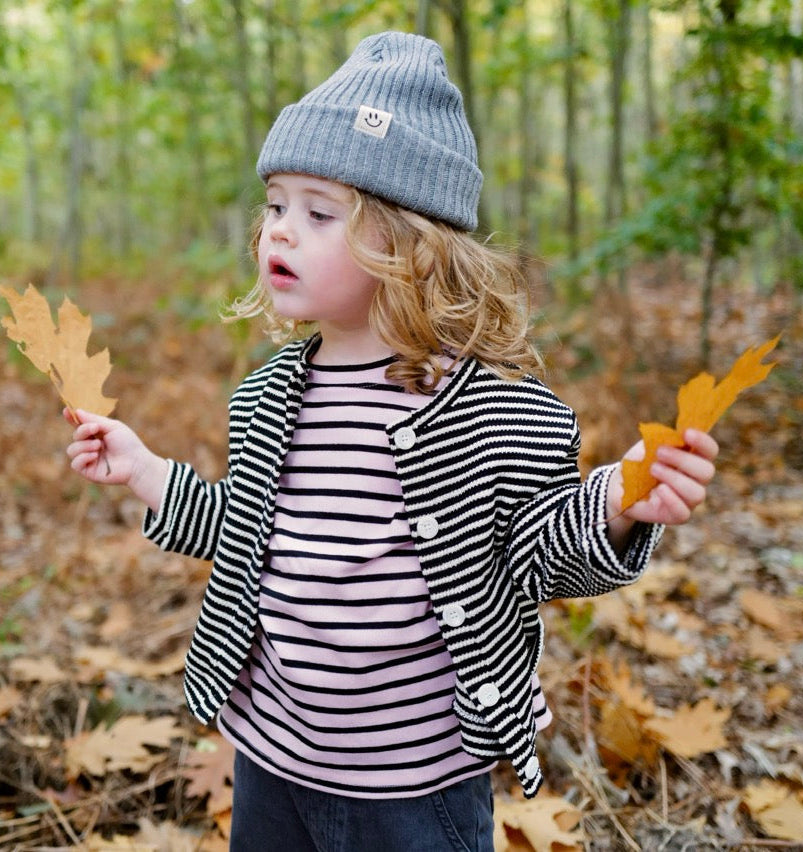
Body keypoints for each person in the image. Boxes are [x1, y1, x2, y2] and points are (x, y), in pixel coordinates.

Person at [66, 31, 718, 852]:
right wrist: (147, 472)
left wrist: (620, 502)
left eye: (318, 212)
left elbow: (534, 554)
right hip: (273, 759)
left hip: (415, 787)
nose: (278, 232)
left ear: (410, 245)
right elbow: (248, 535)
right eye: (273, 205)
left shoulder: (490, 408)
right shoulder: (268, 397)